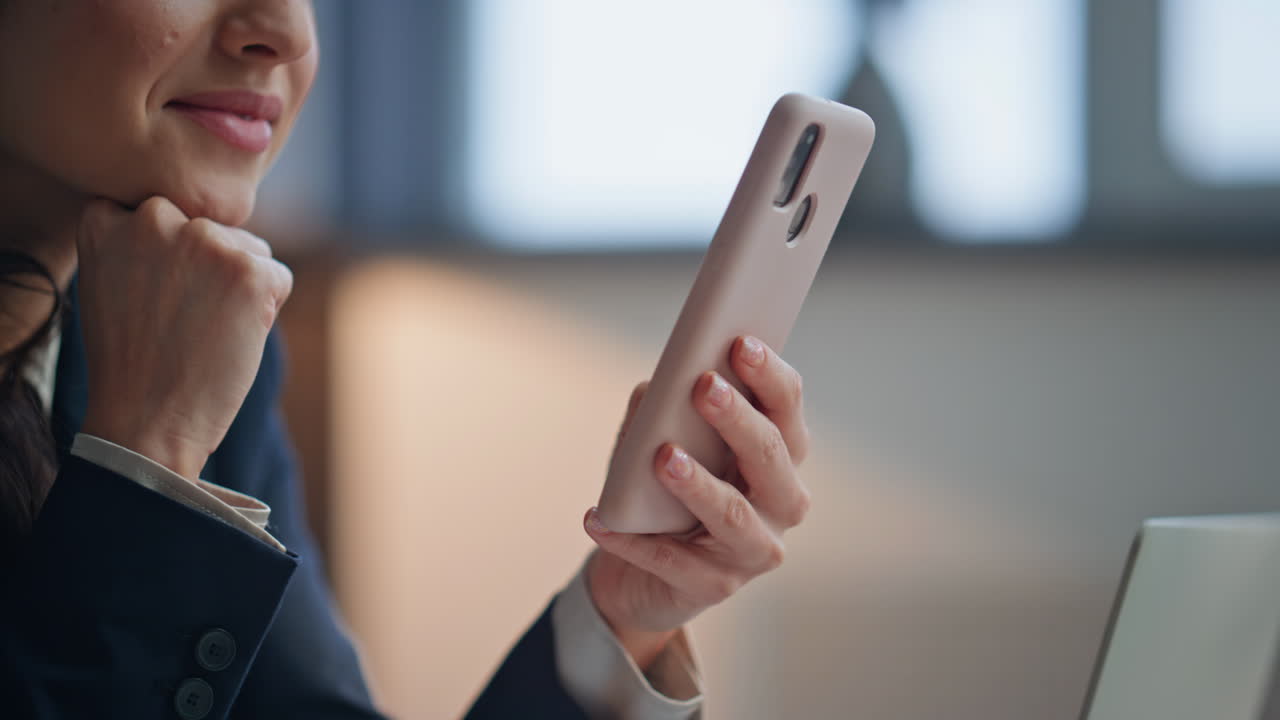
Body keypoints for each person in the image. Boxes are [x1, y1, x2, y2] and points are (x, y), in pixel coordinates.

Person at [0, 2, 813, 718]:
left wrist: (621, 617)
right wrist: (148, 460)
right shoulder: (184, 364)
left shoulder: (199, 337)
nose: (286, 33)